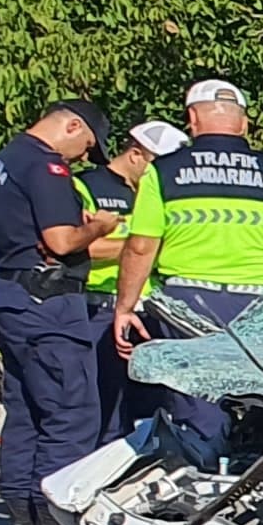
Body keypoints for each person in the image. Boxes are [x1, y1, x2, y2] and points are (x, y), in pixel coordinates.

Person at [112, 79, 263, 451]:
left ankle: (203, 477)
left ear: (191, 120)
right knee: (258, 399)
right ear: (244, 124)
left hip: (187, 302)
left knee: (196, 400)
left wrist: (125, 306)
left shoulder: (165, 172)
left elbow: (140, 246)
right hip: (260, 307)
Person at [0, 98, 113, 525]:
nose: (80, 158)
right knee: (71, 413)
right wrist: (98, 228)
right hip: (47, 302)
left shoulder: (1, 163)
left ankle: (22, 522)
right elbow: (60, 240)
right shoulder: (46, 167)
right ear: (71, 125)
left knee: (28, 411)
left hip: (10, 295)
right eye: (85, 146)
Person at [79, 116, 180, 434]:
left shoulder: (159, 190)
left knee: (149, 408)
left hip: (150, 308)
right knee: (105, 407)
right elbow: (82, 247)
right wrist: (142, 245)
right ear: (136, 154)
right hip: (101, 306)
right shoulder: (87, 185)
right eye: (155, 164)